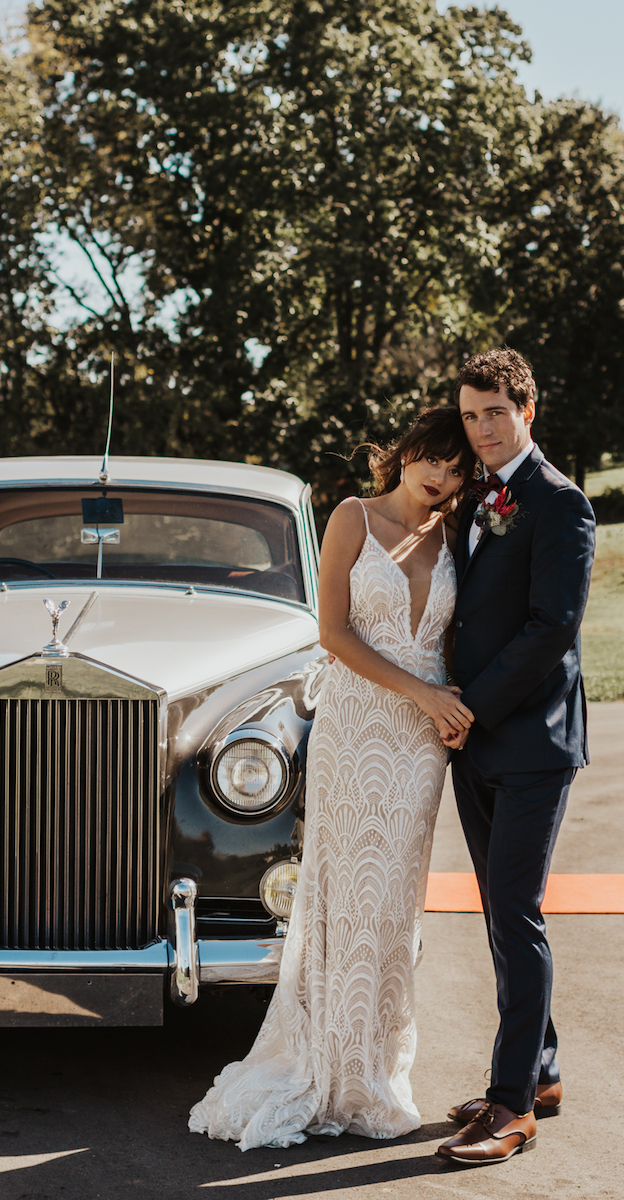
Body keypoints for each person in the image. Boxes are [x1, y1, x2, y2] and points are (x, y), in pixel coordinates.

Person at [189, 406, 475, 1150]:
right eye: (430, 458)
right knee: (346, 891)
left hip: (420, 744)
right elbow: (333, 633)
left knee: (392, 907)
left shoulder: (456, 532)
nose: (439, 476)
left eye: (454, 467)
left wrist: (446, 705)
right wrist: (422, 694)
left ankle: (372, 1071)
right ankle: (322, 1067)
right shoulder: (352, 515)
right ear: (404, 451)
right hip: (358, 728)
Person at [436, 348, 595, 1166]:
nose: (483, 429)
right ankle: (541, 1071)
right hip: (477, 743)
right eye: (470, 415)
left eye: (495, 412)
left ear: (527, 411)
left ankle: (509, 1108)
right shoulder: (475, 498)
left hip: (532, 741)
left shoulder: (560, 503)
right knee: (501, 911)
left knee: (516, 909)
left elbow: (551, 629)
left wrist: (471, 708)